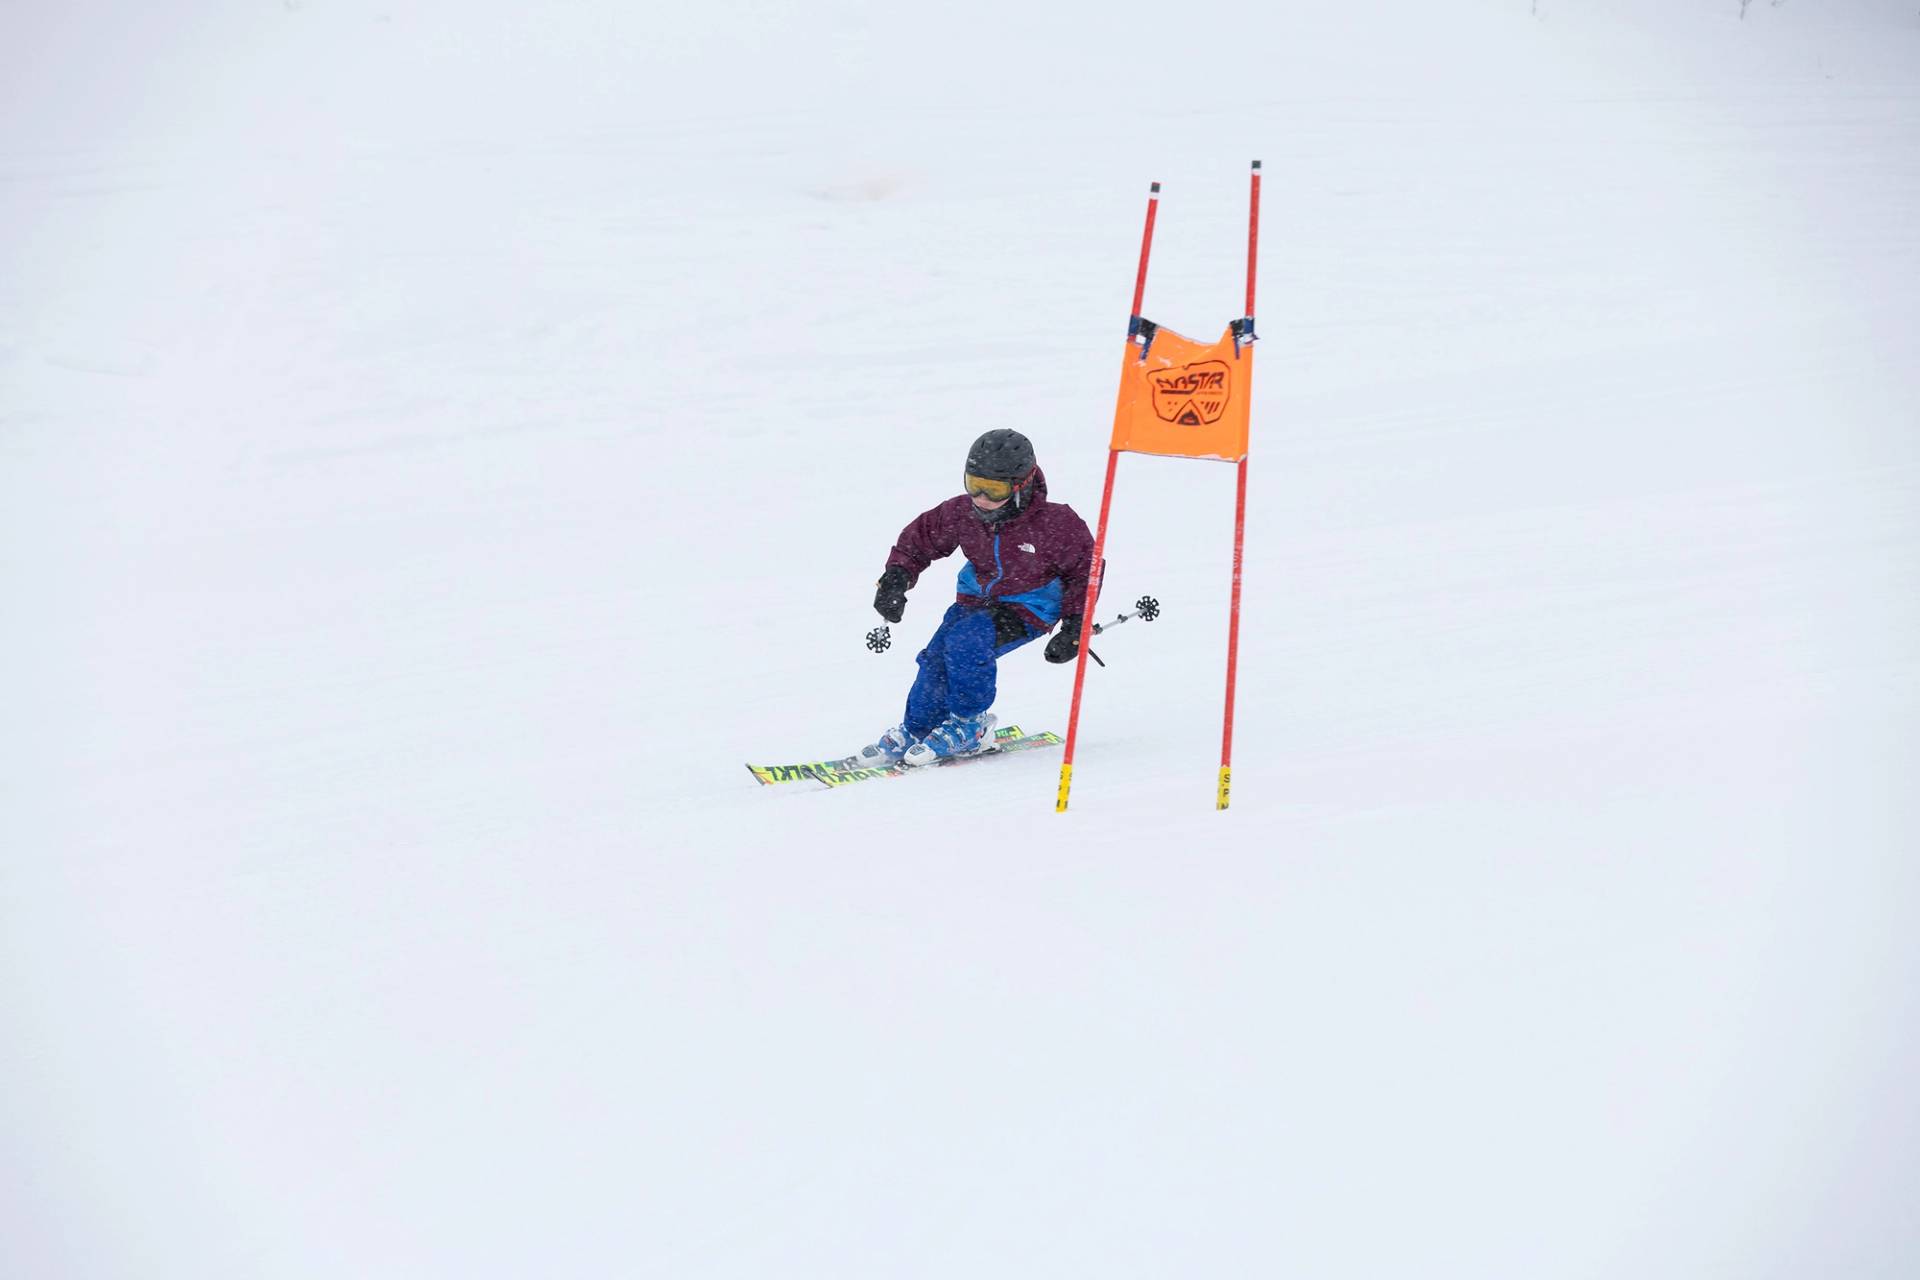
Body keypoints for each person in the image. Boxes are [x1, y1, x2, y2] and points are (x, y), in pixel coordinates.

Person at [860, 429, 1096, 767]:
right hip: (976, 600)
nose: (981, 498)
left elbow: (1084, 572)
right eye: (974, 484)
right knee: (937, 655)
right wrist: (896, 579)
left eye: (995, 489)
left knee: (967, 645)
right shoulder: (962, 513)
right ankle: (919, 727)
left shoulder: (1056, 524)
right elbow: (920, 539)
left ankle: (971, 725)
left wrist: (1075, 626)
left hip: (1030, 606)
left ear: (1022, 485)